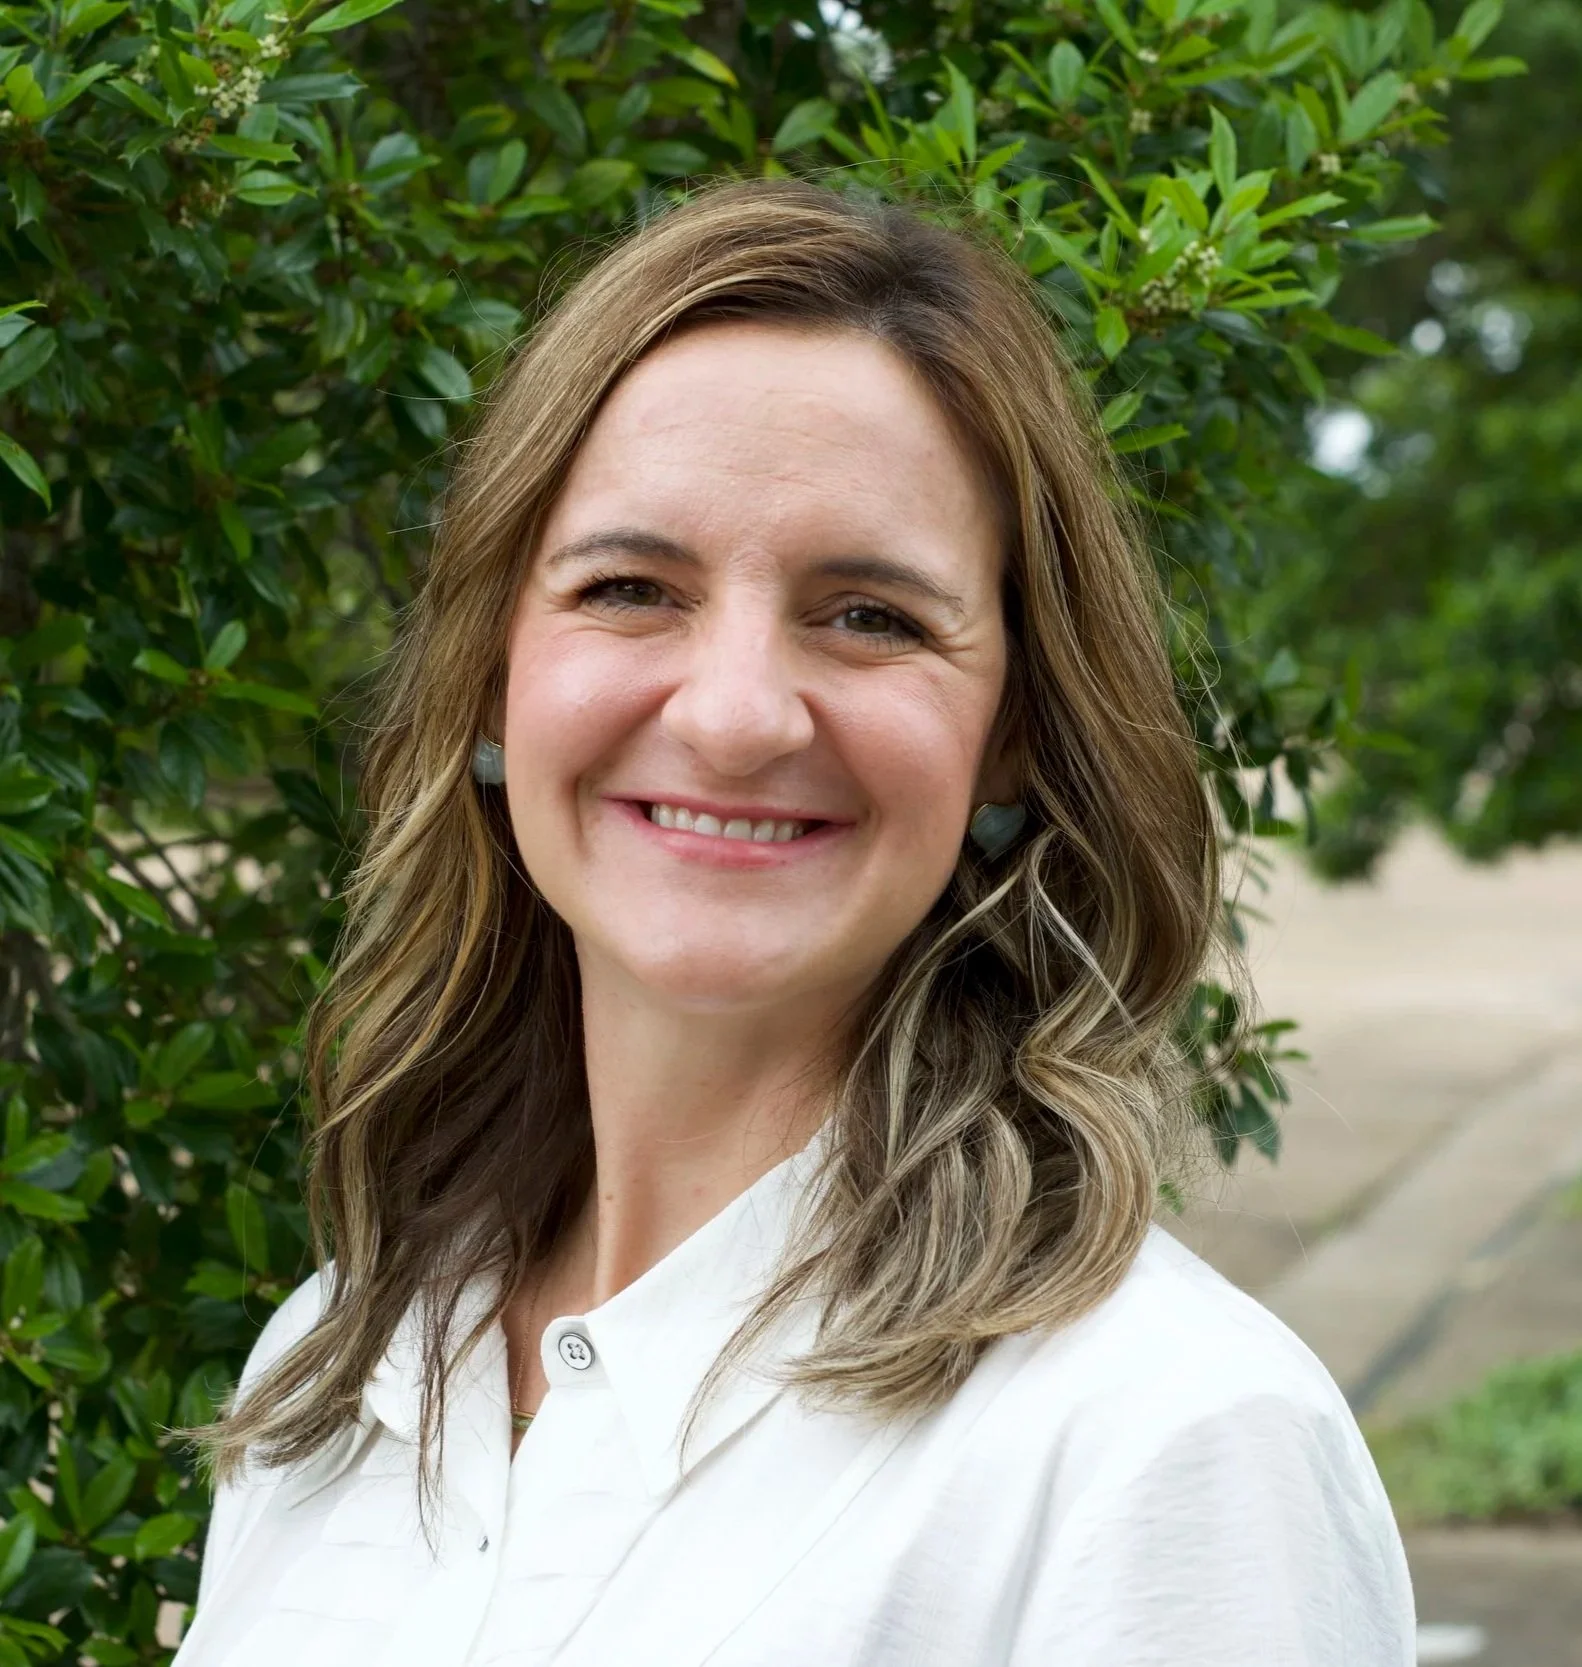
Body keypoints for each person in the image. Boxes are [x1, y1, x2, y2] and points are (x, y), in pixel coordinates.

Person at [173, 178, 1414, 1667]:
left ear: (1012, 730)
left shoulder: (1162, 1441)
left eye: (870, 614)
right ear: (498, 669)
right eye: (630, 587)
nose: (737, 714)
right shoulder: (340, 1365)